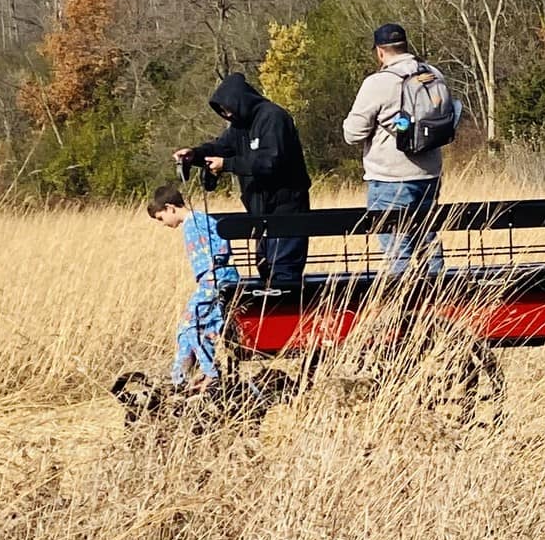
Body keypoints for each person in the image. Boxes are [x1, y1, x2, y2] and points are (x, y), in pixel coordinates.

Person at [175, 73, 311, 294]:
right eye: (222, 111)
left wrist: (227, 164)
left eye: (228, 109)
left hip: (287, 210)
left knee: (284, 274)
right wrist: (195, 155)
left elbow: (270, 162)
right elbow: (220, 147)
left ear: (240, 100)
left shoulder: (273, 118)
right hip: (259, 213)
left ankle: (290, 320)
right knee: (265, 270)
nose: (227, 115)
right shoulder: (238, 127)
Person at [343, 23, 455, 274]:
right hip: (430, 174)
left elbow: (353, 133)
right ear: (405, 45)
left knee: (397, 250)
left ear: (380, 52)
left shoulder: (379, 82)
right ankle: (440, 298)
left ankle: (402, 307)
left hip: (390, 178)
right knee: (428, 242)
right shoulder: (434, 75)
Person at [148, 184, 241, 391]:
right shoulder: (198, 222)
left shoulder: (196, 222)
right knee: (186, 329)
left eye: (161, 218)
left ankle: (210, 374)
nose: (163, 224)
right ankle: (178, 378)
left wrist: (213, 270)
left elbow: (220, 250)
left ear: (170, 208)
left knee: (192, 326)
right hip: (214, 281)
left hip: (215, 281)